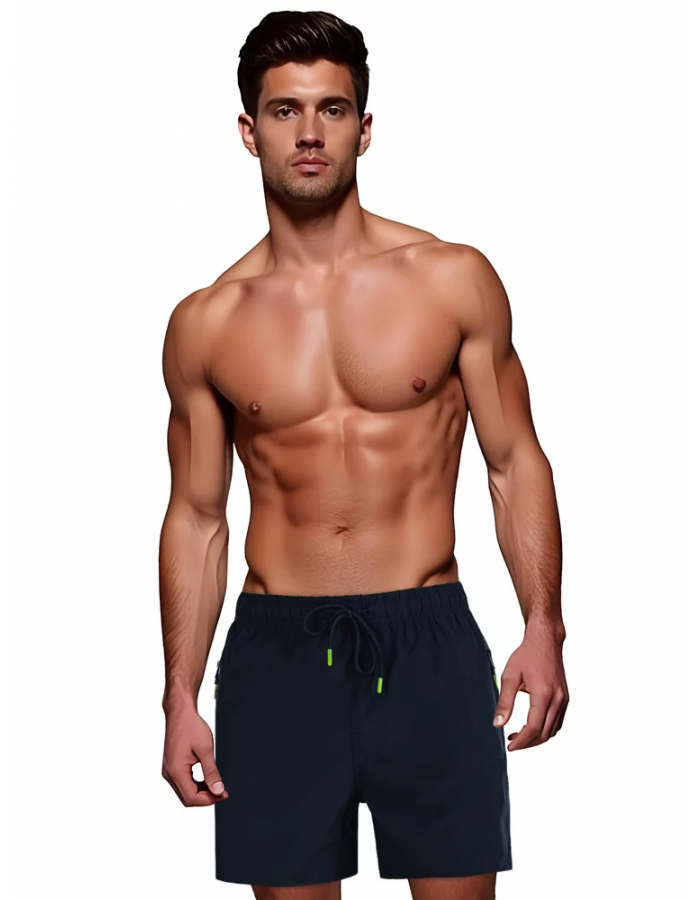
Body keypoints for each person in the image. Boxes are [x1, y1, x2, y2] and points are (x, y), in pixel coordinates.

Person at [158, 10, 568, 900]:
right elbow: (196, 517)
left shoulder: (452, 279)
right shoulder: (206, 323)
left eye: (332, 109)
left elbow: (513, 462)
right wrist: (179, 695)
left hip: (430, 642)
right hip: (277, 655)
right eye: (285, 110)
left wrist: (544, 625)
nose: (309, 132)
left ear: (364, 128)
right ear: (249, 131)